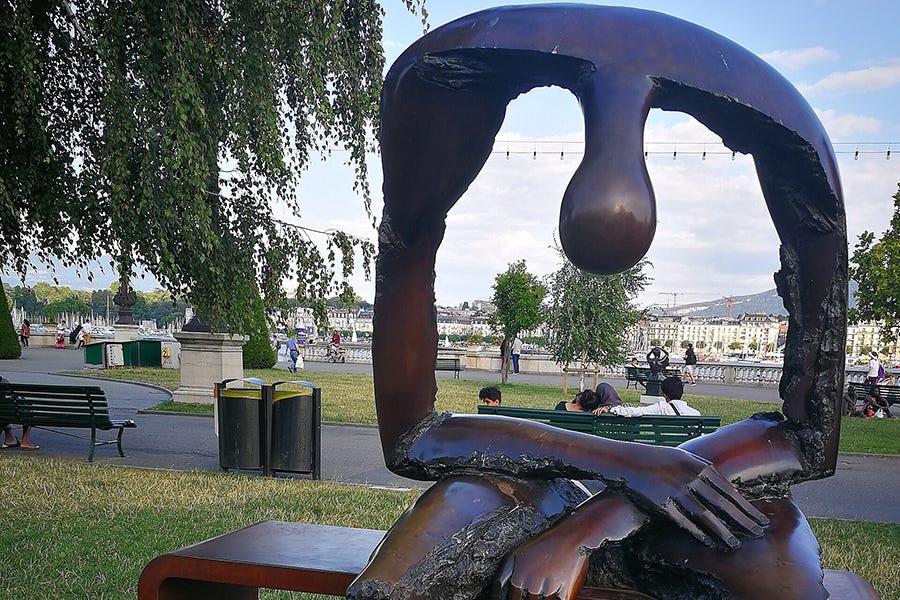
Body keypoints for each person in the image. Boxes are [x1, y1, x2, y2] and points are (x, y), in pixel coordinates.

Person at [597, 377, 700, 417]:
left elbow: (636, 411)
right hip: (686, 452)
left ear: (664, 395)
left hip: (664, 452)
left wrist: (612, 409)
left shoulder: (661, 408)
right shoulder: (696, 414)